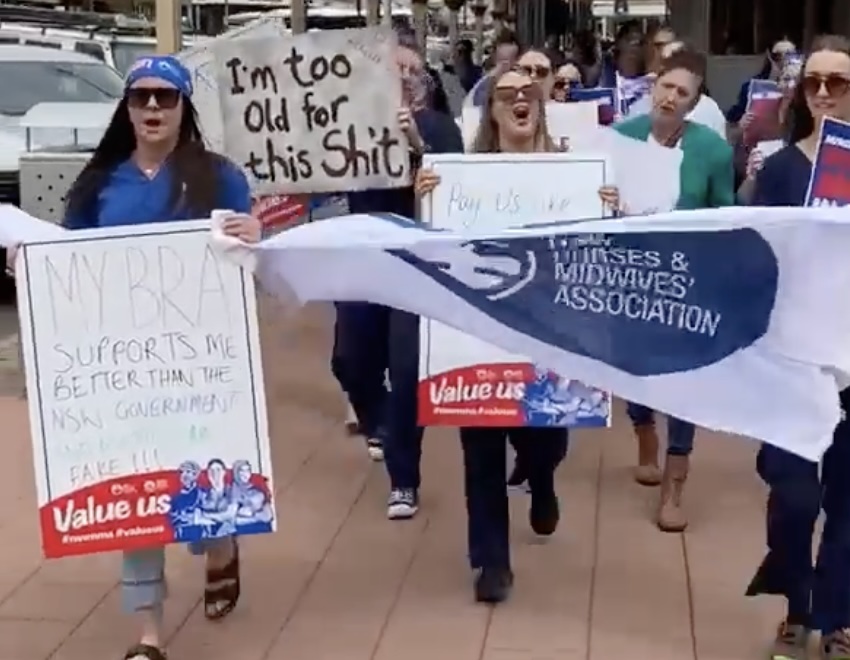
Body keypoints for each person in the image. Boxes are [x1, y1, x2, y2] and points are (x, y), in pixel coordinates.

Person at [17, 55, 262, 660]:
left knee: (204, 479)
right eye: (141, 97)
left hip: (202, 366)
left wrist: (255, 237)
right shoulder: (98, 185)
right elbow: (66, 259)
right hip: (126, 374)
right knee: (140, 499)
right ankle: (148, 635)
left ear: (183, 109)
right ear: (126, 109)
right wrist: (30, 265)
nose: (153, 108)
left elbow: (252, 260)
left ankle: (221, 545)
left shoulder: (220, 177)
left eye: (166, 98)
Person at [414, 68, 571, 604]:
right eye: (507, 95)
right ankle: (491, 561)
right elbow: (434, 248)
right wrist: (426, 202)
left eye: (529, 93)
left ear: (541, 107)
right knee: (480, 450)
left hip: (547, 332)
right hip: (477, 331)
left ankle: (543, 479)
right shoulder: (461, 177)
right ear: (492, 111)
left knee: (545, 438)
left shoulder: (570, 173)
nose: (519, 101)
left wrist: (606, 205)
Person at [744, 34, 850, 660]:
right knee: (793, 497)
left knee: (847, 499)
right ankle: (797, 601)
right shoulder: (780, 168)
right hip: (792, 358)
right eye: (813, 81)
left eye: (838, 82)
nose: (824, 93)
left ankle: (836, 618)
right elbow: (752, 259)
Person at [334, 36, 463, 517]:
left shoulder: (440, 128)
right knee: (349, 360)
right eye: (391, 70)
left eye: (411, 70)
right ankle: (383, 423)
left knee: (407, 371)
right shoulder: (350, 127)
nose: (401, 78)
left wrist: (417, 146)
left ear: (425, 84)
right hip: (364, 260)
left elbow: (455, 187)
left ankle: (403, 478)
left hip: (416, 268)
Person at [608, 48, 734, 532]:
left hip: (690, 278)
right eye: (665, 86)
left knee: (685, 383)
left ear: (694, 101)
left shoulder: (714, 151)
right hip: (633, 275)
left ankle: (675, 481)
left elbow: (725, 215)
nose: (670, 97)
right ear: (653, 86)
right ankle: (644, 435)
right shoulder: (619, 137)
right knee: (635, 368)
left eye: (683, 92)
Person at [726, 37, 797, 138]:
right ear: (769, 56)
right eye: (777, 56)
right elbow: (731, 129)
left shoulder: (805, 89)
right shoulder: (751, 87)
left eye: (789, 57)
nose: (783, 62)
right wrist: (741, 125)